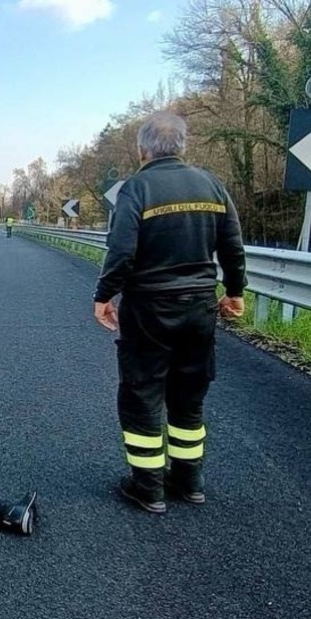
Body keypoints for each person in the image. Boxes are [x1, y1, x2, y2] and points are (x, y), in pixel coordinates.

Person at [93, 110, 247, 514]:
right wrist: (234, 291)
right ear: (183, 145)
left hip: (149, 308)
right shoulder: (211, 184)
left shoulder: (138, 188)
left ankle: (147, 488)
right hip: (199, 306)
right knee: (189, 395)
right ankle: (189, 480)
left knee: (143, 392)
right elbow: (232, 245)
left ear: (142, 149)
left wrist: (105, 294)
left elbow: (122, 250)